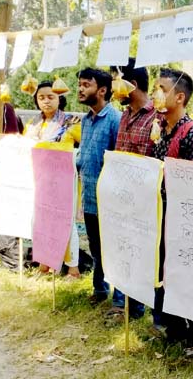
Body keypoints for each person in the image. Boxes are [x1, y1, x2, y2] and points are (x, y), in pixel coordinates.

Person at [150, 68, 193, 347]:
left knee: (189, 274)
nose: (156, 94)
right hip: (163, 212)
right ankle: (173, 329)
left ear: (180, 97)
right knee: (166, 271)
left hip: (186, 218)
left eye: (162, 88)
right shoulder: (160, 129)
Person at [107, 57, 155, 321]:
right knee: (122, 250)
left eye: (117, 83)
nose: (114, 90)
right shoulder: (124, 115)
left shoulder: (155, 117)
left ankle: (136, 308)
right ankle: (121, 304)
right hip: (121, 199)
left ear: (132, 84)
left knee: (140, 255)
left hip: (143, 201)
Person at [24, 81, 82, 278]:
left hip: (63, 182)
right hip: (40, 181)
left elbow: (85, 149)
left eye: (51, 97)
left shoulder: (71, 122)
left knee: (66, 222)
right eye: (41, 98)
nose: (46, 101)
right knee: (41, 221)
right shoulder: (33, 125)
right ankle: (44, 264)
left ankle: (73, 268)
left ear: (60, 98)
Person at [76, 68, 121, 304]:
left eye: (86, 85)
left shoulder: (115, 119)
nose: (80, 89)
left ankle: (119, 298)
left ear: (102, 90)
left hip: (110, 200)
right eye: (80, 84)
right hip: (90, 199)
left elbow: (119, 161)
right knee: (96, 247)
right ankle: (100, 289)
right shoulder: (85, 120)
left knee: (113, 249)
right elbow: (83, 157)